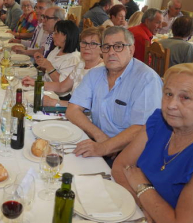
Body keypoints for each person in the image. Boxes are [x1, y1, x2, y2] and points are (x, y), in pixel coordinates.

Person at [112, 62, 193, 223]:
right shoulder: (160, 121)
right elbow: (119, 167)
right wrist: (147, 207)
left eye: (185, 97)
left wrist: (142, 186)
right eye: (168, 94)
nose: (171, 105)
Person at [66, 26, 162, 165]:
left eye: (118, 46)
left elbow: (143, 128)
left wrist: (105, 146)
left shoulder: (146, 79)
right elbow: (72, 110)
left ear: (131, 50)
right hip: (100, 144)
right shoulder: (95, 74)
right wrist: (101, 138)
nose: (111, 52)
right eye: (106, 47)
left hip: (133, 156)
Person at [23, 27, 105, 107]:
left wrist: (55, 103)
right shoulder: (81, 64)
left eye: (93, 44)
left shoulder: (101, 71)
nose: (87, 47)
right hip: (73, 111)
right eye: (84, 42)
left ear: (102, 49)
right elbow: (61, 87)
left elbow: (89, 106)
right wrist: (36, 83)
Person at [33, 20, 80, 100]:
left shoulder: (73, 58)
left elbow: (62, 86)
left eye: (56, 33)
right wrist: (41, 63)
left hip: (58, 98)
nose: (53, 36)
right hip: (46, 90)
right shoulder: (57, 50)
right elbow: (47, 72)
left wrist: (48, 66)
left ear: (66, 36)